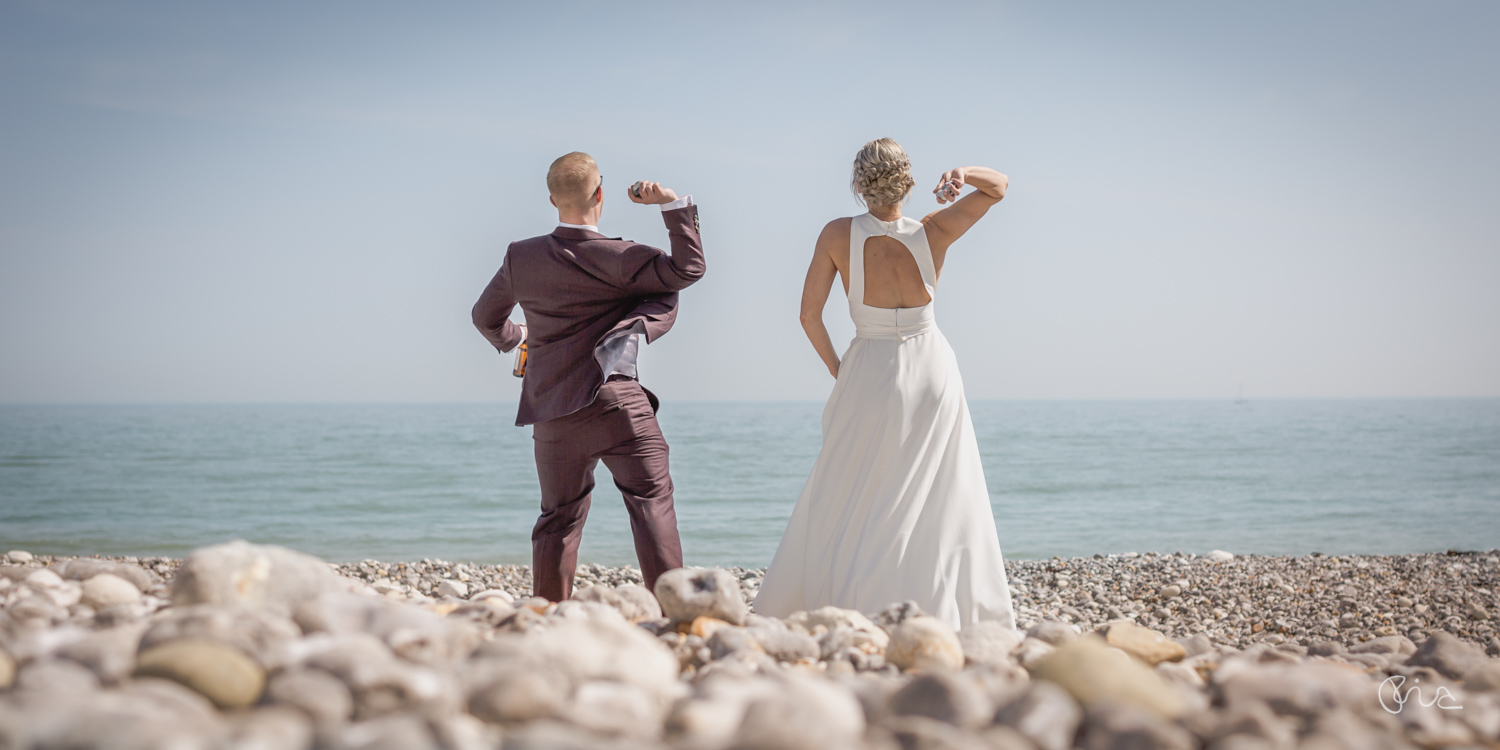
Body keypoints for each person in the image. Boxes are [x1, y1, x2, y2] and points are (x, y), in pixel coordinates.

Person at [753, 138, 1016, 631]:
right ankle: (935, 609)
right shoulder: (935, 229)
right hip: (930, 368)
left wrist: (839, 369)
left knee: (849, 486)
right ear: (910, 183)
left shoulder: (836, 234)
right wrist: (962, 170)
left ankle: (848, 604)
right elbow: (999, 186)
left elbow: (809, 315)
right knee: (938, 491)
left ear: (858, 185)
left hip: (868, 366)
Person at [472, 151, 704, 602]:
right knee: (651, 501)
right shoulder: (621, 256)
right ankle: (675, 616)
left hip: (553, 415)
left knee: (557, 519)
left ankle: (547, 616)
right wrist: (670, 204)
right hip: (618, 406)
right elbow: (688, 269)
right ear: (600, 194)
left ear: (552, 198)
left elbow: (485, 317)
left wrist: (517, 339)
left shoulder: (522, 257)